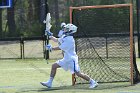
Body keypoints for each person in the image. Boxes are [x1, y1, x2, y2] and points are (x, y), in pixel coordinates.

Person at [40, 23, 98, 88]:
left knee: (78, 73)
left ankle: (93, 82)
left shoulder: (70, 40)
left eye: (67, 29)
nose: (64, 29)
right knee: (54, 66)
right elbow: (57, 40)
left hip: (71, 59)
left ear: (70, 31)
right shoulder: (65, 36)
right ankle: (49, 83)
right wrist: (50, 35)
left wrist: (51, 48)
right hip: (66, 58)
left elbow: (60, 47)